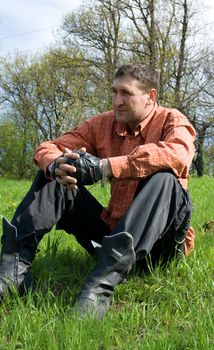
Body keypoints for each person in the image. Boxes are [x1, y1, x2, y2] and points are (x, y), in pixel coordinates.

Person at [0, 63, 196, 320]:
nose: (117, 101)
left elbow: (178, 155)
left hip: (161, 247)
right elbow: (50, 146)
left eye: (125, 93)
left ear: (150, 97)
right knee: (59, 171)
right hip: (113, 234)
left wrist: (106, 167)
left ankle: (99, 287)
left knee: (165, 177)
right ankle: (12, 268)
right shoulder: (103, 124)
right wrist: (55, 163)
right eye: (114, 92)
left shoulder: (172, 120)